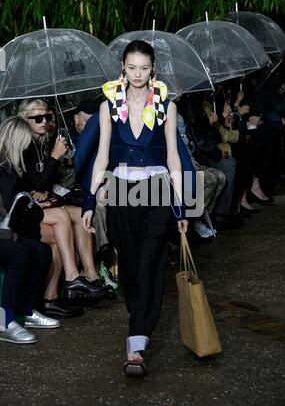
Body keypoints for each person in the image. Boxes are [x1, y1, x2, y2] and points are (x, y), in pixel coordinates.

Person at [82, 40, 188, 376]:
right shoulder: (109, 106)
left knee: (151, 261)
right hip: (120, 191)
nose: (138, 74)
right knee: (129, 264)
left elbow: (174, 157)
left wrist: (182, 208)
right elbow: (100, 156)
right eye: (132, 67)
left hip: (157, 189)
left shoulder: (166, 106)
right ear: (123, 69)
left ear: (152, 68)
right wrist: (88, 200)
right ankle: (138, 319)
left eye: (144, 67)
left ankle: (136, 343)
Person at [17, 99, 102, 306]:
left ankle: (91, 275)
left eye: (47, 117)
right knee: (61, 218)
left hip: (42, 205)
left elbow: (46, 184)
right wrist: (55, 157)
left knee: (81, 214)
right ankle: (71, 278)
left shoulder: (43, 143)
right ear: (23, 120)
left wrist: (59, 160)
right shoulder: (23, 145)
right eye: (38, 118)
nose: (44, 121)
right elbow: (36, 182)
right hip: (23, 211)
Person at [0, 116, 61, 343]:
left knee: (41, 251)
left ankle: (26, 310)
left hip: (7, 232)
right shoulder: (3, 170)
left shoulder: (14, 169)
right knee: (19, 253)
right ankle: (5, 321)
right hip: (4, 235)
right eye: (24, 142)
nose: (28, 147)